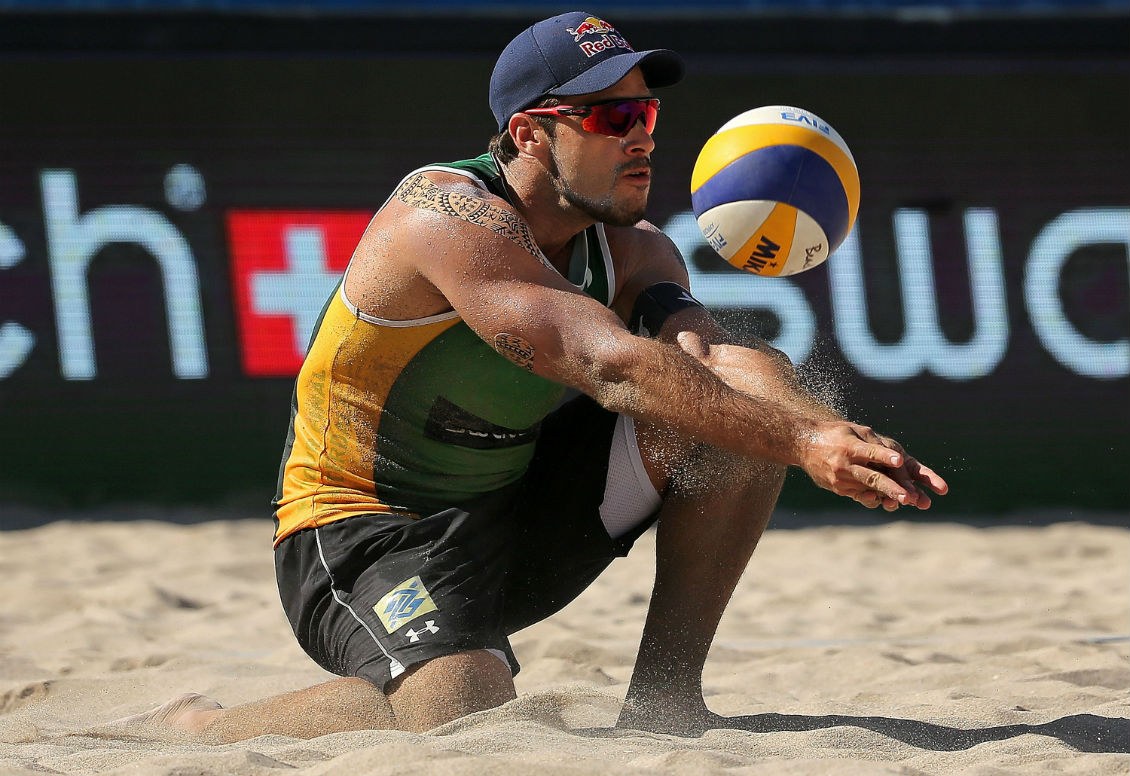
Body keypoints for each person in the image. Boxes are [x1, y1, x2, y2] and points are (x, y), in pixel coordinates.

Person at [117, 10, 947, 740]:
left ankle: (667, 705)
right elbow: (604, 362)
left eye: (647, 110)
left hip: (518, 516)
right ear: (528, 134)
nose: (644, 135)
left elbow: (702, 361)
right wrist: (803, 438)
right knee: (464, 710)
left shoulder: (636, 247)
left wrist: (818, 428)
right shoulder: (442, 219)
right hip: (365, 532)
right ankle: (199, 730)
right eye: (612, 115)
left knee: (743, 391)